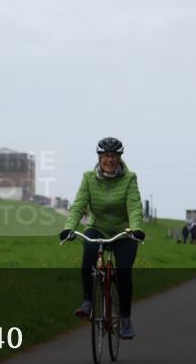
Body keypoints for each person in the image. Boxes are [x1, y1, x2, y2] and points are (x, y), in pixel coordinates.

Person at [59, 137, 145, 340]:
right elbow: (79, 205)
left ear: (120, 157)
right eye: (106, 155)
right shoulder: (88, 178)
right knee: (88, 252)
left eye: (114, 156)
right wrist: (69, 228)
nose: (110, 160)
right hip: (97, 228)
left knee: (124, 271)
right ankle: (88, 302)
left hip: (124, 232)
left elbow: (134, 206)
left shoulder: (129, 178)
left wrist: (136, 229)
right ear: (99, 157)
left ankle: (124, 319)